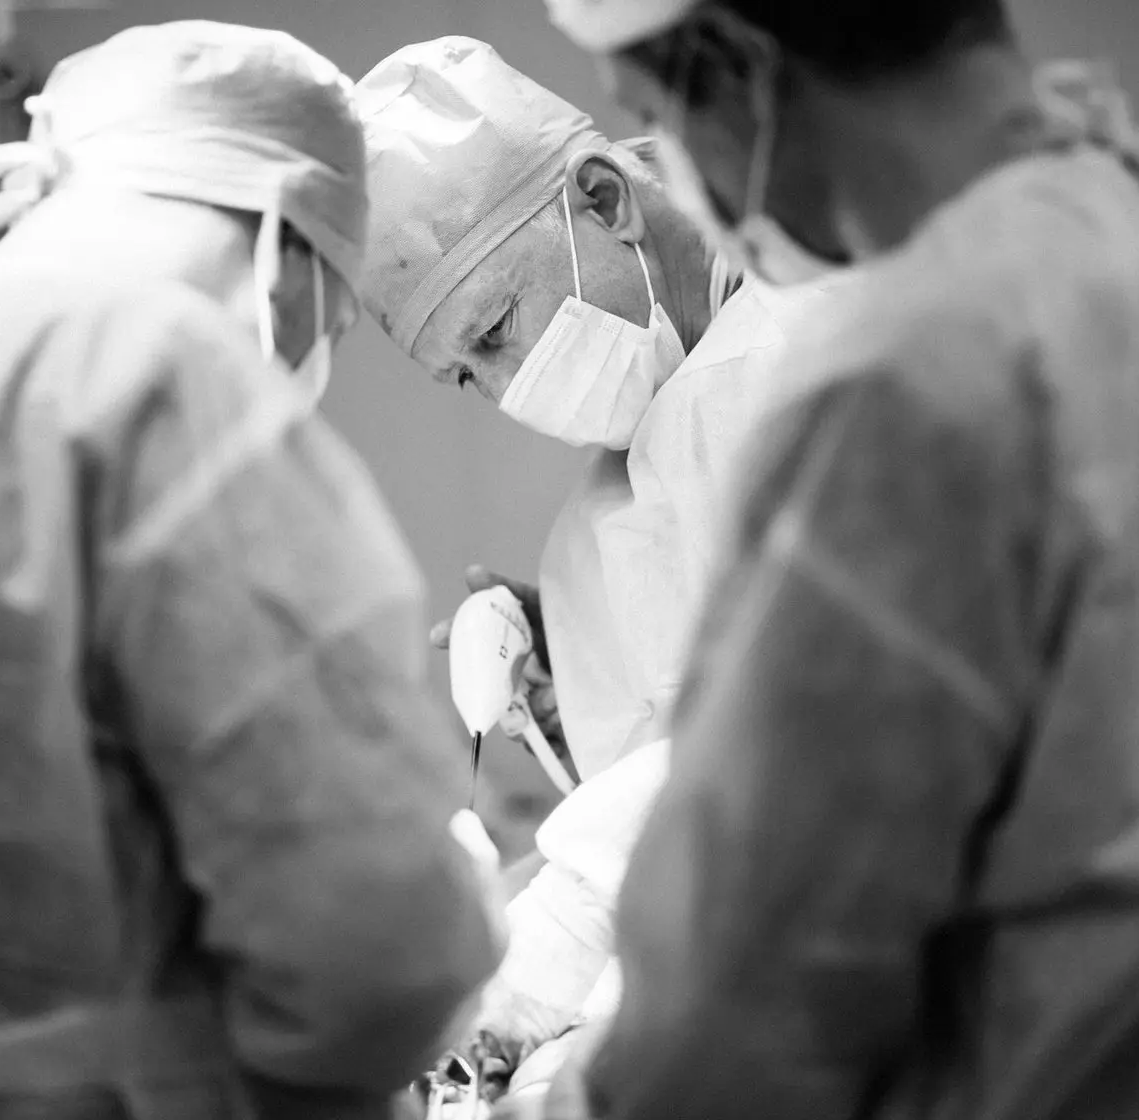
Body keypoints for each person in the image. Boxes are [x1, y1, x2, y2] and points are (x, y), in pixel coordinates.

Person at [542, 2, 1139, 1118]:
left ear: (732, 66)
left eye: (656, 118)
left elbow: (744, 1010)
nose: (685, 178)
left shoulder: (915, 375)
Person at [0, 22, 502, 1120]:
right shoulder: (157, 378)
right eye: (331, 312)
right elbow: (380, 966)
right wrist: (459, 901)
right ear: (285, 244)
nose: (313, 350)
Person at [352, 35, 847, 1094]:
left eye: (495, 329)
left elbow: (811, 736)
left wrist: (541, 951)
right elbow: (678, 817)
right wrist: (579, 695)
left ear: (604, 200)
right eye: (464, 375)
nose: (504, 387)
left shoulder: (836, 352)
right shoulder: (599, 525)